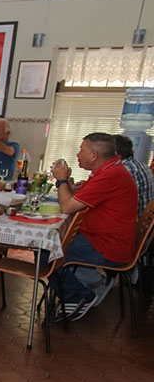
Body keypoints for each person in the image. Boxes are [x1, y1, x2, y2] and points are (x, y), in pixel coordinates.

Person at [52, 133, 138, 320]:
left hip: (106, 247)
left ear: (94, 155)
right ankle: (91, 281)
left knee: (46, 251)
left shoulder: (111, 175)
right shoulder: (111, 169)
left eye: (82, 150)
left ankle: (79, 296)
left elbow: (67, 207)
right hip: (102, 239)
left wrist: (61, 181)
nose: (77, 155)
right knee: (54, 241)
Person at [115, 135, 154, 217]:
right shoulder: (140, 164)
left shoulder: (124, 170)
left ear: (114, 152)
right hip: (143, 217)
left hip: (132, 221)